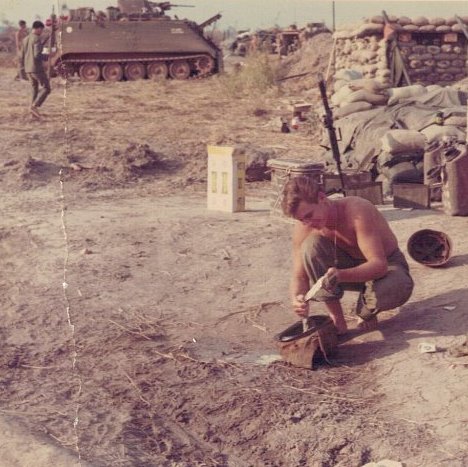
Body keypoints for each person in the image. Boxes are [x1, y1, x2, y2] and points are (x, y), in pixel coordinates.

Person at [281, 176, 414, 334]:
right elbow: (299, 276)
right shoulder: (304, 225)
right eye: (302, 219)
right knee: (311, 246)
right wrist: (297, 297)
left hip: (386, 268)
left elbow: (379, 265)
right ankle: (337, 319)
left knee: (397, 285)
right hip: (345, 269)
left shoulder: (357, 210)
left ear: (322, 198)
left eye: (309, 215)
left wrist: (341, 275)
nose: (308, 223)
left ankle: (366, 311)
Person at [20, 20, 51, 118]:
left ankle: (32, 110)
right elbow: (37, 55)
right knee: (46, 88)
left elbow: (22, 55)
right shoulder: (36, 39)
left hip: (28, 68)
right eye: (41, 30)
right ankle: (35, 106)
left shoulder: (25, 39)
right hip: (36, 68)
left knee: (35, 89)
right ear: (38, 28)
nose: (41, 32)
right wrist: (46, 53)